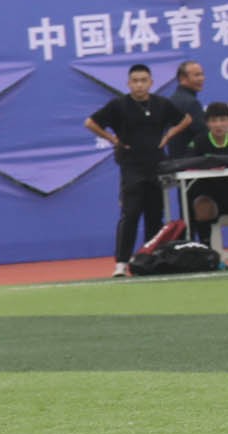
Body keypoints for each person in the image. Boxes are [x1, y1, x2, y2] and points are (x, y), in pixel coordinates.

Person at [84, 64, 191, 276]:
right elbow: (91, 122)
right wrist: (113, 139)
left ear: (151, 83)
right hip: (131, 166)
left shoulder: (161, 104)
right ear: (128, 83)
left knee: (155, 215)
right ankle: (121, 263)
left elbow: (185, 120)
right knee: (130, 214)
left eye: (144, 80)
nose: (140, 85)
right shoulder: (119, 105)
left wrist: (168, 136)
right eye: (135, 81)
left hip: (156, 164)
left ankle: (148, 259)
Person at [185, 101, 228, 250]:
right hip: (209, 191)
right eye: (214, 121)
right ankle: (206, 247)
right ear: (207, 123)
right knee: (202, 205)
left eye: (223, 120)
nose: (218, 125)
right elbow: (188, 162)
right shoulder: (199, 141)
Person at [164, 60, 207, 159]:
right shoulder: (191, 103)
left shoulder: (172, 100)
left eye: (202, 74)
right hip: (192, 162)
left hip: (176, 160)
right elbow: (203, 133)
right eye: (197, 75)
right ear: (183, 78)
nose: (201, 78)